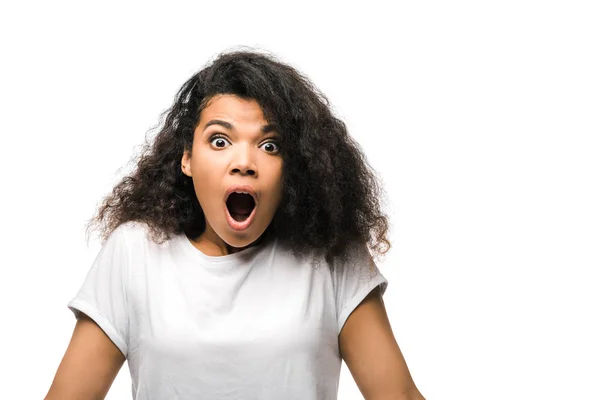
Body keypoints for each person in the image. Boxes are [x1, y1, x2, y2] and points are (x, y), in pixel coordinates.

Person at [45, 49, 425, 400]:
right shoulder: (135, 253)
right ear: (187, 160)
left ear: (293, 168)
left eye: (270, 145)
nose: (244, 161)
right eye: (220, 140)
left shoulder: (331, 255)